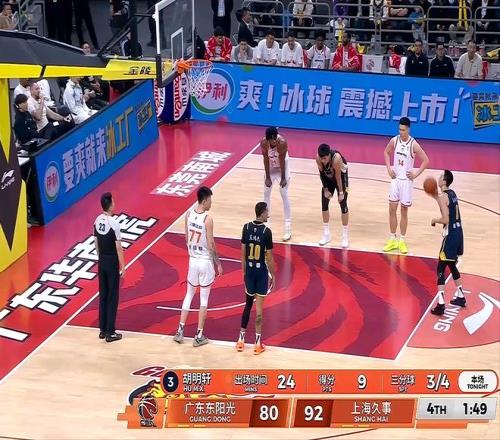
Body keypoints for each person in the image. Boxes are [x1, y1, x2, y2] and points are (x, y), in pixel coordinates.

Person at [173, 186, 223, 347]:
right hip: (205, 261)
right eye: (210, 200)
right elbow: (211, 244)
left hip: (192, 260)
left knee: (188, 295)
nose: (211, 203)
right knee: (204, 299)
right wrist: (218, 264)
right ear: (205, 200)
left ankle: (180, 331)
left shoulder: (188, 215)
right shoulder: (207, 219)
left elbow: (186, 238)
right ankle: (199, 335)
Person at [383, 117, 429, 254]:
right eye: (399, 129)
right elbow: (386, 152)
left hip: (406, 183)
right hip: (395, 180)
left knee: (404, 211)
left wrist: (416, 174)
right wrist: (389, 168)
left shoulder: (414, 144)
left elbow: (426, 160)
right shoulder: (394, 140)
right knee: (392, 209)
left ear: (408, 129)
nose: (401, 132)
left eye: (403, 130)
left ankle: (402, 240)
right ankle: (392, 239)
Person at [236, 202, 275, 355]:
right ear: (262, 213)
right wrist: (274, 276)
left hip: (250, 272)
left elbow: (243, 253)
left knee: (247, 305)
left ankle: (240, 340)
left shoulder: (246, 227)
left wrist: (244, 272)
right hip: (261, 273)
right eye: (267, 212)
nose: (268, 215)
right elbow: (269, 258)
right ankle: (257, 344)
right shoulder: (266, 232)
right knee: (259, 311)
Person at [430, 170, 466, 315]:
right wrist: (435, 197)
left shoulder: (443, 197)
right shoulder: (452, 194)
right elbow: (446, 206)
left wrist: (434, 220)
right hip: (459, 233)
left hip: (450, 236)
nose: (438, 179)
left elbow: (445, 219)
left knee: (440, 267)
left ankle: (441, 304)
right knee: (451, 264)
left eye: (440, 177)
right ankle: (461, 296)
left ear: (444, 181)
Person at [93, 192, 125, 343]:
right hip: (112, 261)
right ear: (110, 205)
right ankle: (110, 332)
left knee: (103, 295)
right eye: (113, 201)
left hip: (102, 260)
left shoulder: (97, 220)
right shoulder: (114, 223)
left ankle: (102, 329)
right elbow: (119, 248)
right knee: (112, 296)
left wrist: (100, 258)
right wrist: (123, 266)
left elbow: (96, 243)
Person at [261, 127, 292, 241]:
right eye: (269, 140)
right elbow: (265, 159)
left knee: (283, 192)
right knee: (266, 192)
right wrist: (268, 177)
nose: (270, 142)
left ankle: (288, 228)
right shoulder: (264, 142)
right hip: (271, 167)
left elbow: (282, 161)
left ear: (275, 138)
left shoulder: (282, 143)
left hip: (283, 168)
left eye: (272, 140)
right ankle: (266, 225)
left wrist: (283, 178)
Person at [316, 144, 349, 248]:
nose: (323, 161)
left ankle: (345, 236)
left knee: (343, 204)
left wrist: (341, 193)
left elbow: (338, 177)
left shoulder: (336, 158)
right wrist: (326, 189)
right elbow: (322, 174)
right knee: (324, 202)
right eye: (322, 159)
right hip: (329, 177)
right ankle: (326, 234)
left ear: (329, 155)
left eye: (325, 159)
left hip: (341, 178)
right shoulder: (318, 158)